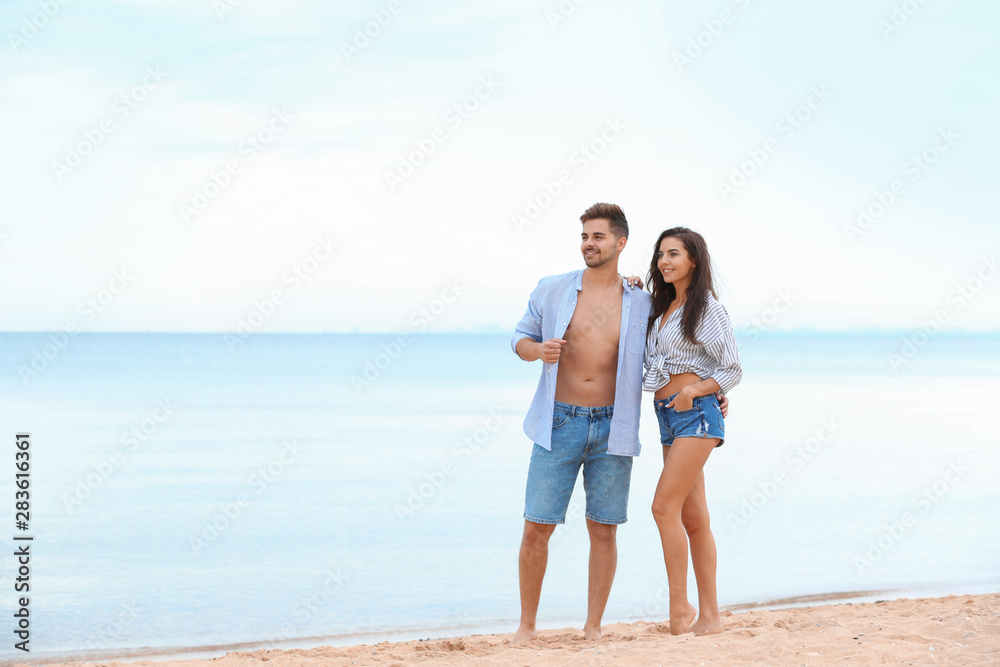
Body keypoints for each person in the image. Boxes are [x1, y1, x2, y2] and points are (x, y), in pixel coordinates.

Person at [509, 203, 651, 642]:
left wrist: (712, 390)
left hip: (615, 426)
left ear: (620, 242)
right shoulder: (552, 289)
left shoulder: (642, 300)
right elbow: (519, 338)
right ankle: (526, 627)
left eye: (599, 237)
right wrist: (538, 351)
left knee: (603, 530)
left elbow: (678, 350)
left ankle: (593, 628)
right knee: (537, 526)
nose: (589, 243)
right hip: (559, 421)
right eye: (585, 236)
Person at [631, 226, 742, 636]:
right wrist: (630, 287)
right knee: (693, 518)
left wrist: (696, 390)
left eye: (674, 254)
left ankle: (680, 610)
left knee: (663, 508)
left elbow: (732, 368)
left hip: (695, 415)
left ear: (693, 259)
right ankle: (710, 618)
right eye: (661, 254)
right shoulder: (662, 311)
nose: (665, 262)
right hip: (668, 417)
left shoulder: (707, 309)